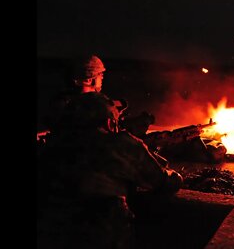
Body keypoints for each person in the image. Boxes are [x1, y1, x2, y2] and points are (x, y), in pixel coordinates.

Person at [37, 92, 183, 249]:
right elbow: (163, 182)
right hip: (99, 238)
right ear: (108, 122)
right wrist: (173, 174)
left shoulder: (53, 144)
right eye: (116, 123)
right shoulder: (118, 144)